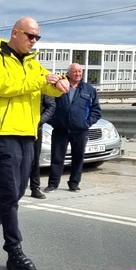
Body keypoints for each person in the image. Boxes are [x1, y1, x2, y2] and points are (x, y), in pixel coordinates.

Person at [0, 18, 68, 270]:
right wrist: (40, 81)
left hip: (26, 134)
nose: (34, 41)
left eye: (37, 37)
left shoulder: (34, 62)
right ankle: (14, 250)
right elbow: (2, 86)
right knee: (10, 193)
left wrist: (59, 84)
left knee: (16, 193)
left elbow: (48, 89)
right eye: (30, 36)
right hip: (1, 132)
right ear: (15, 33)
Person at [45, 63, 102, 193]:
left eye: (80, 72)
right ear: (69, 73)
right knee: (57, 157)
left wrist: (87, 123)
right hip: (60, 129)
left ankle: (74, 183)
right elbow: (48, 106)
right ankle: (53, 184)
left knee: (78, 157)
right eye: (75, 72)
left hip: (80, 130)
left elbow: (96, 110)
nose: (78, 74)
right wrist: (53, 122)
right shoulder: (59, 87)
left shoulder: (88, 89)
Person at [29, 94, 56, 199]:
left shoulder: (41, 83)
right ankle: (13, 188)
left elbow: (51, 105)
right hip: (17, 127)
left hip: (35, 128)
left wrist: (40, 121)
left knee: (34, 159)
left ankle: (35, 188)